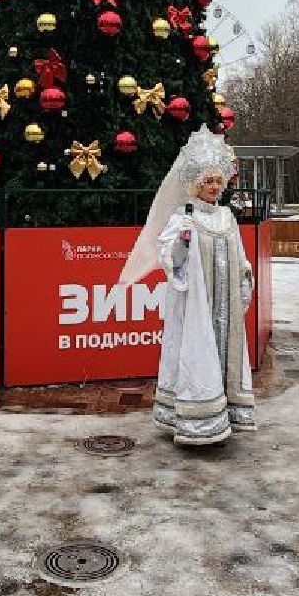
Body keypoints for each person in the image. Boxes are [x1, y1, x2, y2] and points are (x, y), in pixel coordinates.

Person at [121, 126, 255, 446]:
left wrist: (244, 280)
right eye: (207, 181)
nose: (213, 187)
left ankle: (227, 414)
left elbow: (239, 257)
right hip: (198, 306)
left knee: (225, 353)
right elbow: (171, 259)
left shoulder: (226, 217)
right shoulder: (184, 217)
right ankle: (197, 418)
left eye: (217, 181)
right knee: (199, 353)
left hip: (226, 307)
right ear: (196, 183)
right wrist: (182, 240)